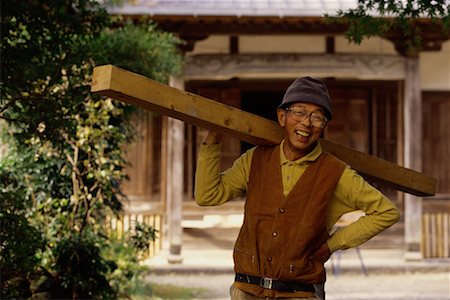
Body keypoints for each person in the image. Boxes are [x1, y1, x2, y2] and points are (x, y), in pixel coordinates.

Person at [194, 77, 400, 300]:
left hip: (300, 293)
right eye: (299, 112)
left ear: (324, 126)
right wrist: (213, 139)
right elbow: (207, 195)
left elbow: (387, 212)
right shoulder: (254, 159)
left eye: (317, 116)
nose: (307, 123)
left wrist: (333, 244)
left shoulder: (336, 173)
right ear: (282, 117)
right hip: (247, 290)